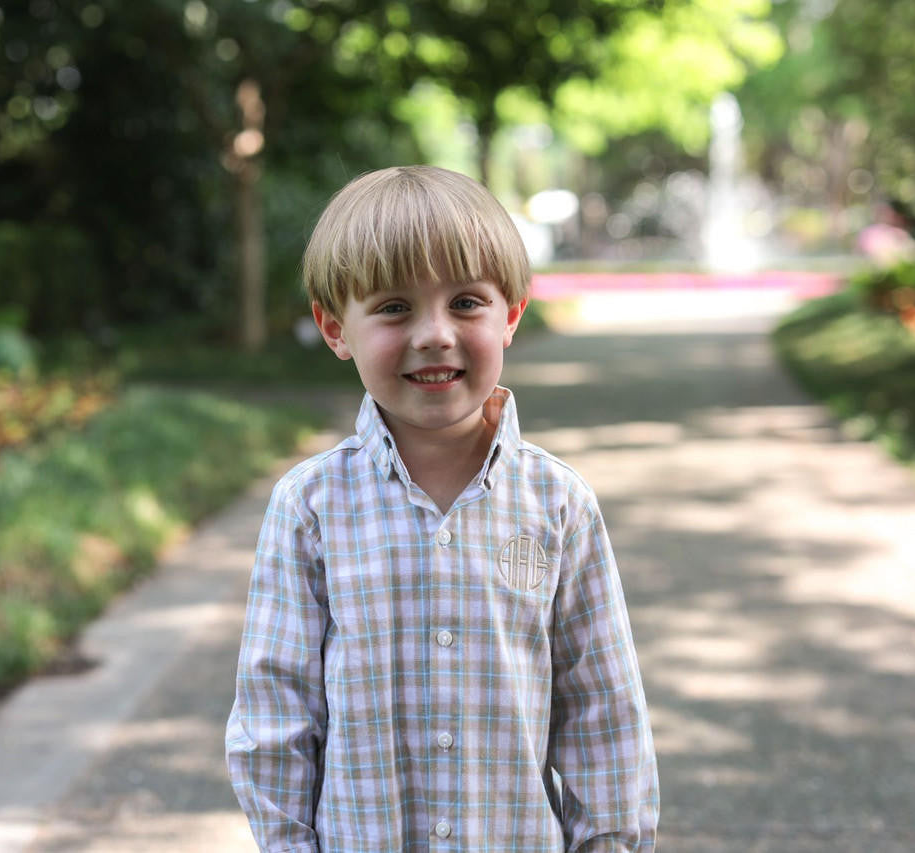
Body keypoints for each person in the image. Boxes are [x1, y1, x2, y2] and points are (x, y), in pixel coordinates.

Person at [226, 165, 658, 852]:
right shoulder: (310, 507)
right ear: (336, 328)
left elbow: (602, 710)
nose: (434, 333)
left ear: (511, 315)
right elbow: (277, 711)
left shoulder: (559, 506)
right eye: (394, 307)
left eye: (465, 303)